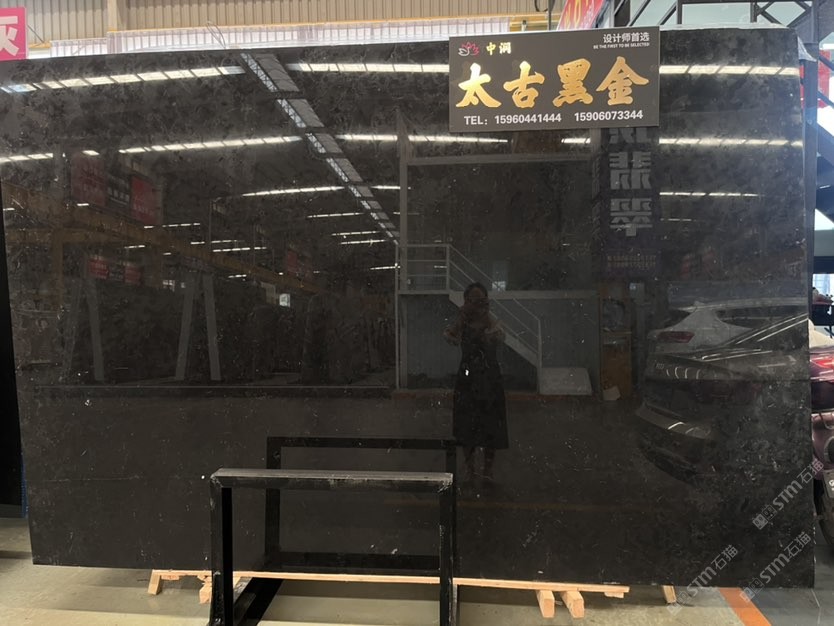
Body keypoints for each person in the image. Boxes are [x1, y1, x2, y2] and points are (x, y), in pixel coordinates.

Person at [444, 282, 509, 483]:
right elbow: (449, 336)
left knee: (491, 425)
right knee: (466, 425)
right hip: (468, 377)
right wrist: (462, 318)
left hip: (489, 378)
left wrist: (486, 317)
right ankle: (470, 470)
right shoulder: (463, 320)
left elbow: (500, 336)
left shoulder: (491, 320)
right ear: (466, 301)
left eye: (481, 300)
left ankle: (488, 471)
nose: (477, 304)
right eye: (473, 300)